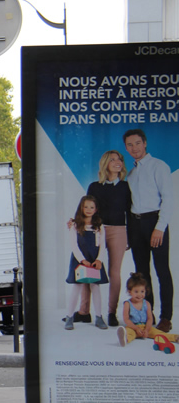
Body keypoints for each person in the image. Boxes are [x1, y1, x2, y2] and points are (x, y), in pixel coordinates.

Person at [73, 150, 131, 326]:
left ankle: (111, 313)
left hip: (118, 230)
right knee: (88, 267)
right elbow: (86, 209)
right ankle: (84, 312)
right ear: (105, 163)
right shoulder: (94, 187)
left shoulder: (125, 187)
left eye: (119, 159)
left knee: (114, 271)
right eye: (112, 159)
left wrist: (129, 235)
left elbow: (129, 212)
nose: (117, 162)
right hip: (95, 230)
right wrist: (74, 222)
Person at [124, 128, 173, 332]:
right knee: (142, 274)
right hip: (136, 225)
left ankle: (166, 318)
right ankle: (147, 316)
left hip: (155, 221)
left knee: (162, 271)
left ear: (145, 143)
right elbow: (129, 205)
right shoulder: (131, 173)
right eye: (129, 145)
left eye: (137, 143)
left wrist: (159, 228)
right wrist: (128, 234)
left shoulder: (159, 166)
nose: (134, 148)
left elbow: (169, 199)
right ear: (126, 148)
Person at [64, 195, 109, 330]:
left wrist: (99, 260)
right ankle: (69, 316)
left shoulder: (99, 227)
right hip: (80, 261)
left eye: (92, 207)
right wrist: (82, 260)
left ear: (95, 210)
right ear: (81, 208)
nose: (89, 209)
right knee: (76, 287)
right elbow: (74, 245)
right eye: (86, 207)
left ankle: (99, 317)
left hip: (94, 260)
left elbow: (102, 244)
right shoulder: (75, 225)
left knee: (95, 287)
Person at [116, 272, 179, 346]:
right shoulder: (127, 304)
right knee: (130, 332)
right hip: (133, 327)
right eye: (136, 292)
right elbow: (126, 319)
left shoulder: (147, 304)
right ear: (130, 292)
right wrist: (136, 328)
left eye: (142, 291)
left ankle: (175, 337)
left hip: (146, 327)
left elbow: (150, 319)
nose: (140, 294)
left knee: (158, 333)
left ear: (145, 291)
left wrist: (146, 329)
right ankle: (125, 339)